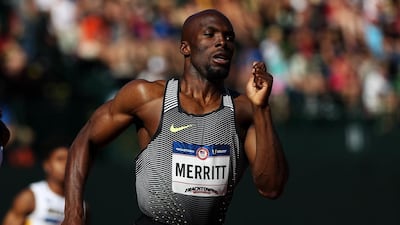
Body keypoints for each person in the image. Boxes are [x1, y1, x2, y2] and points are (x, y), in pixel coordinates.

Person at [62, 9, 288, 225]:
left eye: (229, 37)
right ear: (185, 47)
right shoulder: (148, 98)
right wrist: (73, 213)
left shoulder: (244, 110)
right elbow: (85, 140)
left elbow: (271, 188)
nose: (222, 42)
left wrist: (262, 109)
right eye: (210, 34)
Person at [2, 138, 89, 225]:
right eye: (60, 159)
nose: (65, 165)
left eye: (69, 160)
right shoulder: (30, 198)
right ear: (47, 164)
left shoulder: (82, 206)